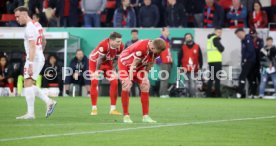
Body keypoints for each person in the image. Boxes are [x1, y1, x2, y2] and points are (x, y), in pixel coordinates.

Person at [14, 6, 57, 120]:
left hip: (33, 58)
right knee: (29, 83)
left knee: (27, 83)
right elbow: (44, 40)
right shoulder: (37, 25)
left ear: (24, 14)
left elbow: (32, 46)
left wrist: (31, 63)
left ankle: (32, 113)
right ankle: (48, 102)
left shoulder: (29, 28)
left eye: (18, 16)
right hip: (38, 56)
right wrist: (40, 52)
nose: (17, 19)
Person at [118, 38, 166, 123]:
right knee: (127, 86)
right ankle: (126, 116)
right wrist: (130, 79)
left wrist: (145, 76)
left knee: (145, 85)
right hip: (125, 64)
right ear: (153, 48)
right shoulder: (141, 48)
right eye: (158, 51)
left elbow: (150, 64)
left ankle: (145, 116)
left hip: (139, 66)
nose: (159, 53)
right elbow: (133, 65)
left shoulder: (156, 50)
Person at [89, 32, 124, 116]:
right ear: (111, 41)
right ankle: (94, 109)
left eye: (120, 41)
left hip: (108, 62)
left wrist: (113, 70)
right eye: (118, 41)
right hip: (95, 62)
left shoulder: (120, 46)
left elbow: (116, 59)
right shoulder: (103, 45)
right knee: (94, 82)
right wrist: (97, 71)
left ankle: (113, 109)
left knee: (115, 82)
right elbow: (100, 59)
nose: (120, 43)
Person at [235, 28, 256, 98]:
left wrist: (245, 59)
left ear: (242, 32)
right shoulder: (243, 41)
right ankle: (252, 94)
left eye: (238, 35)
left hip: (249, 61)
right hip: (247, 61)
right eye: (237, 36)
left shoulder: (248, 39)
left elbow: (250, 50)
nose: (238, 36)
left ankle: (239, 93)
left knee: (242, 77)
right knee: (250, 78)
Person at [206, 27, 225, 97]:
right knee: (217, 79)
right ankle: (218, 94)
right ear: (215, 32)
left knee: (211, 78)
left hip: (211, 61)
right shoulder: (215, 39)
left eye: (220, 32)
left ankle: (208, 94)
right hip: (216, 61)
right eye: (218, 32)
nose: (219, 34)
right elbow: (221, 49)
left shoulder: (210, 39)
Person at [159, 27, 173, 98]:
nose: (168, 32)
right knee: (164, 78)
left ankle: (165, 93)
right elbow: (156, 51)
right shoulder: (160, 41)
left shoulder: (168, 41)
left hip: (168, 61)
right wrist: (159, 61)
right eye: (167, 31)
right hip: (164, 62)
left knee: (166, 78)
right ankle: (162, 93)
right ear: (162, 32)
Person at [250, 29, 264, 97]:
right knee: (253, 79)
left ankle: (261, 93)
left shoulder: (260, 40)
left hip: (259, 62)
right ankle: (253, 93)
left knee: (260, 78)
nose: (253, 35)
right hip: (252, 63)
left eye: (254, 33)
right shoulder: (249, 41)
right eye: (251, 34)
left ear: (256, 34)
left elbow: (261, 49)